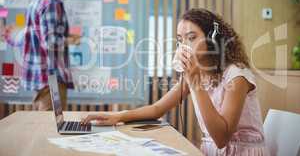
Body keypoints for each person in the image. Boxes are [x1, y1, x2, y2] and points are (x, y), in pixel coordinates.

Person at [81, 8, 269, 155]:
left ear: (213, 41)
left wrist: (194, 81)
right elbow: (157, 109)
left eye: (192, 38)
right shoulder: (195, 74)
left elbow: (221, 137)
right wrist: (118, 116)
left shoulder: (237, 76)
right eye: (180, 40)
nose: (184, 46)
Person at [2, 0, 81, 111]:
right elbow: (50, 42)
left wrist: (66, 35)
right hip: (52, 78)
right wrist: (71, 40)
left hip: (41, 76)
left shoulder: (37, 1)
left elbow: (39, 36)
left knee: (44, 124)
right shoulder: (52, 4)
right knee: (52, 127)